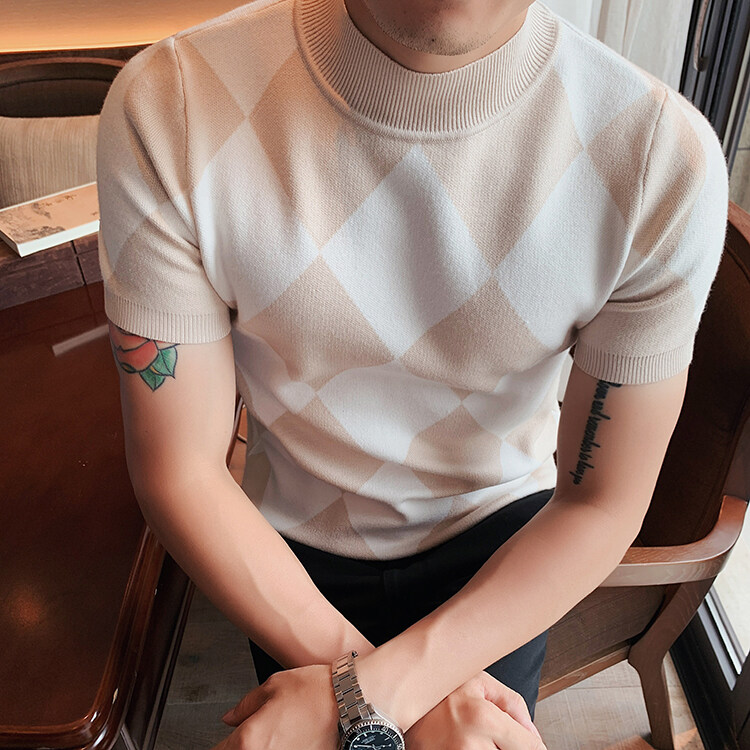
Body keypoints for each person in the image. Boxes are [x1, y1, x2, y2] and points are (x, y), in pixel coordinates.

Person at [97, 0, 729, 746]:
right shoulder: (169, 104)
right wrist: (386, 703)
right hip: (284, 548)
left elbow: (602, 501)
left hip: (508, 547)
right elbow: (179, 467)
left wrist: (365, 698)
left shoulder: (659, 160)